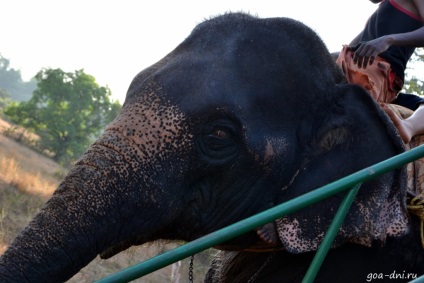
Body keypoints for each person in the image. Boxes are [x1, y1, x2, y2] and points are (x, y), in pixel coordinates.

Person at [334, 0, 424, 143]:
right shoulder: (379, 15)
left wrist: (389, 40)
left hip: (377, 73)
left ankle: (408, 127)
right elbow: (351, 48)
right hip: (354, 66)